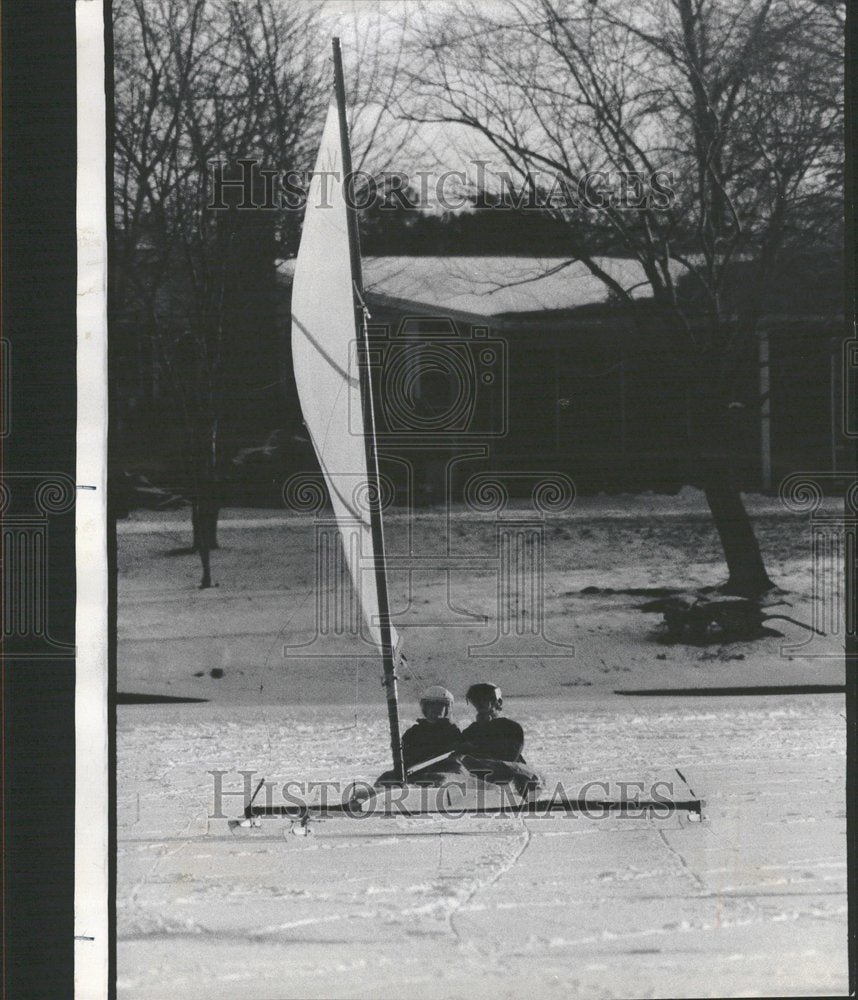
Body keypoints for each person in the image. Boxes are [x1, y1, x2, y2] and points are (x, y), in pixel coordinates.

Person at [457, 683, 542, 797]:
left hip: (507, 776)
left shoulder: (511, 728)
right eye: (476, 700)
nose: (480, 703)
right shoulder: (471, 731)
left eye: (485, 699)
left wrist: (475, 750)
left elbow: (509, 755)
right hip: (478, 778)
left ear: (497, 702)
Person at [374, 686, 463, 786]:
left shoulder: (452, 732)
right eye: (431, 705)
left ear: (447, 708)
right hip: (415, 773)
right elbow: (404, 758)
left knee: (438, 779)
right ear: (425, 707)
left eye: (440, 705)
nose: (435, 709)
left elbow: (455, 759)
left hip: (444, 773)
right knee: (385, 778)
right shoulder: (413, 732)